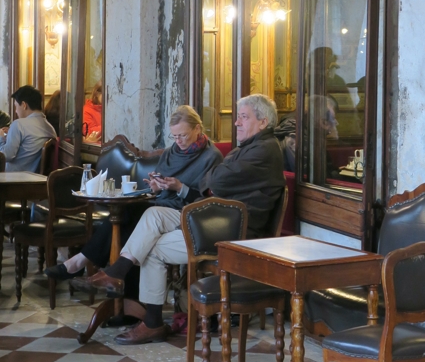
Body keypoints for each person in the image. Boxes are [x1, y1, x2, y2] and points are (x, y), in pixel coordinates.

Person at [74, 94, 285, 345]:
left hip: (233, 233)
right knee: (152, 214)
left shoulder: (263, 149)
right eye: (237, 116)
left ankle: (145, 313)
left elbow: (215, 180)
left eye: (243, 117)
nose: (236, 123)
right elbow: (216, 181)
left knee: (152, 244)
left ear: (263, 122)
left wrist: (207, 183)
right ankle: (122, 279)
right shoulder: (250, 147)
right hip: (212, 220)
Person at [46, 106, 222, 294]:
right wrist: (156, 185)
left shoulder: (211, 157)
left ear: (197, 129)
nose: (179, 141)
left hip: (186, 212)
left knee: (134, 221)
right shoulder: (172, 152)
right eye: (175, 136)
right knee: (125, 215)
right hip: (162, 204)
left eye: (183, 135)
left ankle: (83, 263)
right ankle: (122, 300)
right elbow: (162, 184)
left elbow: (208, 200)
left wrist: (179, 187)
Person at [0, 86, 56, 173]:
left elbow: (6, 156)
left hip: (12, 178)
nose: (16, 111)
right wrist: (10, 133)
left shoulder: (18, 124)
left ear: (24, 105)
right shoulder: (50, 128)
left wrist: (1, 137)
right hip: (35, 177)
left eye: (16, 106)